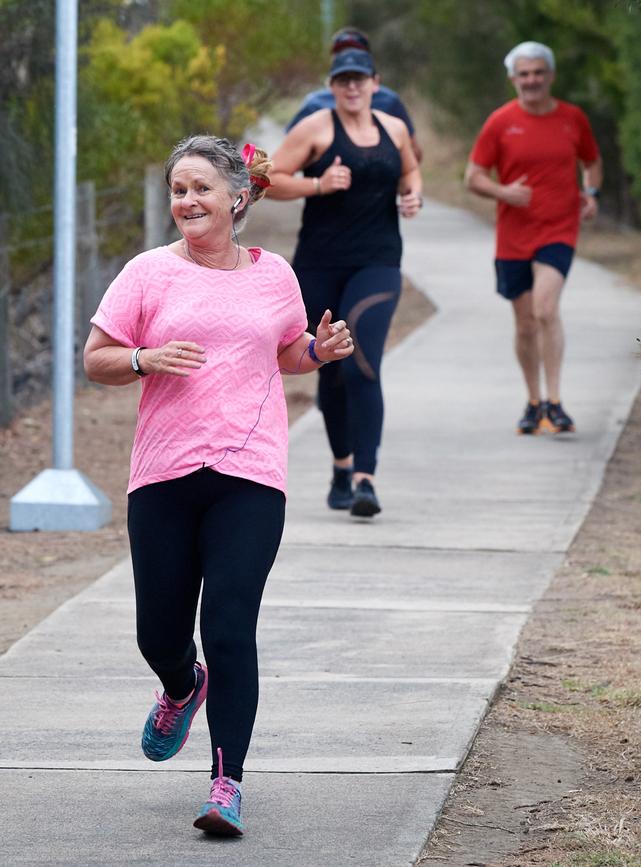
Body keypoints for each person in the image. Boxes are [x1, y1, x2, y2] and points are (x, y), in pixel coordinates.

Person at [83, 136, 353, 837]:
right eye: (178, 189)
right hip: (165, 473)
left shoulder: (275, 276)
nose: (187, 201)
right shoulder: (148, 273)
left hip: (250, 475)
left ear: (237, 197)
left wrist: (318, 351)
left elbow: (288, 350)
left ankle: (227, 782)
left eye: (200, 187)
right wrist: (143, 357)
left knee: (230, 626)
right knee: (159, 634)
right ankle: (181, 684)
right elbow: (97, 358)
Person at [266, 47, 422, 517]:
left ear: (375, 83)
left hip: (378, 261)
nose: (352, 87)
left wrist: (411, 194)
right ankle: (340, 465)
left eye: (360, 79)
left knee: (362, 362)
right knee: (330, 368)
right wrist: (318, 184)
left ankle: (365, 480)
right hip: (319, 264)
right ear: (331, 86)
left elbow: (410, 169)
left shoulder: (393, 128)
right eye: (342, 80)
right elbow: (268, 179)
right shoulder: (315, 128)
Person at [465, 41, 602, 435]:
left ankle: (556, 402)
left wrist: (590, 195)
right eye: (524, 74)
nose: (531, 80)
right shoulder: (500, 122)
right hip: (513, 236)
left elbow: (592, 162)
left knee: (545, 308)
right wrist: (504, 192)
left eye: (538, 73)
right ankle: (533, 401)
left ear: (551, 76)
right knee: (525, 324)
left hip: (559, 229)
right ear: (513, 79)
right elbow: (472, 177)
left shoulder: (572, 119)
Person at [286, 27, 423, 162]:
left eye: (356, 53)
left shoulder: (389, 101)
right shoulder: (315, 104)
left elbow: (413, 155)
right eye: (341, 53)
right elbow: (289, 154)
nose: (349, 59)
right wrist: (319, 180)